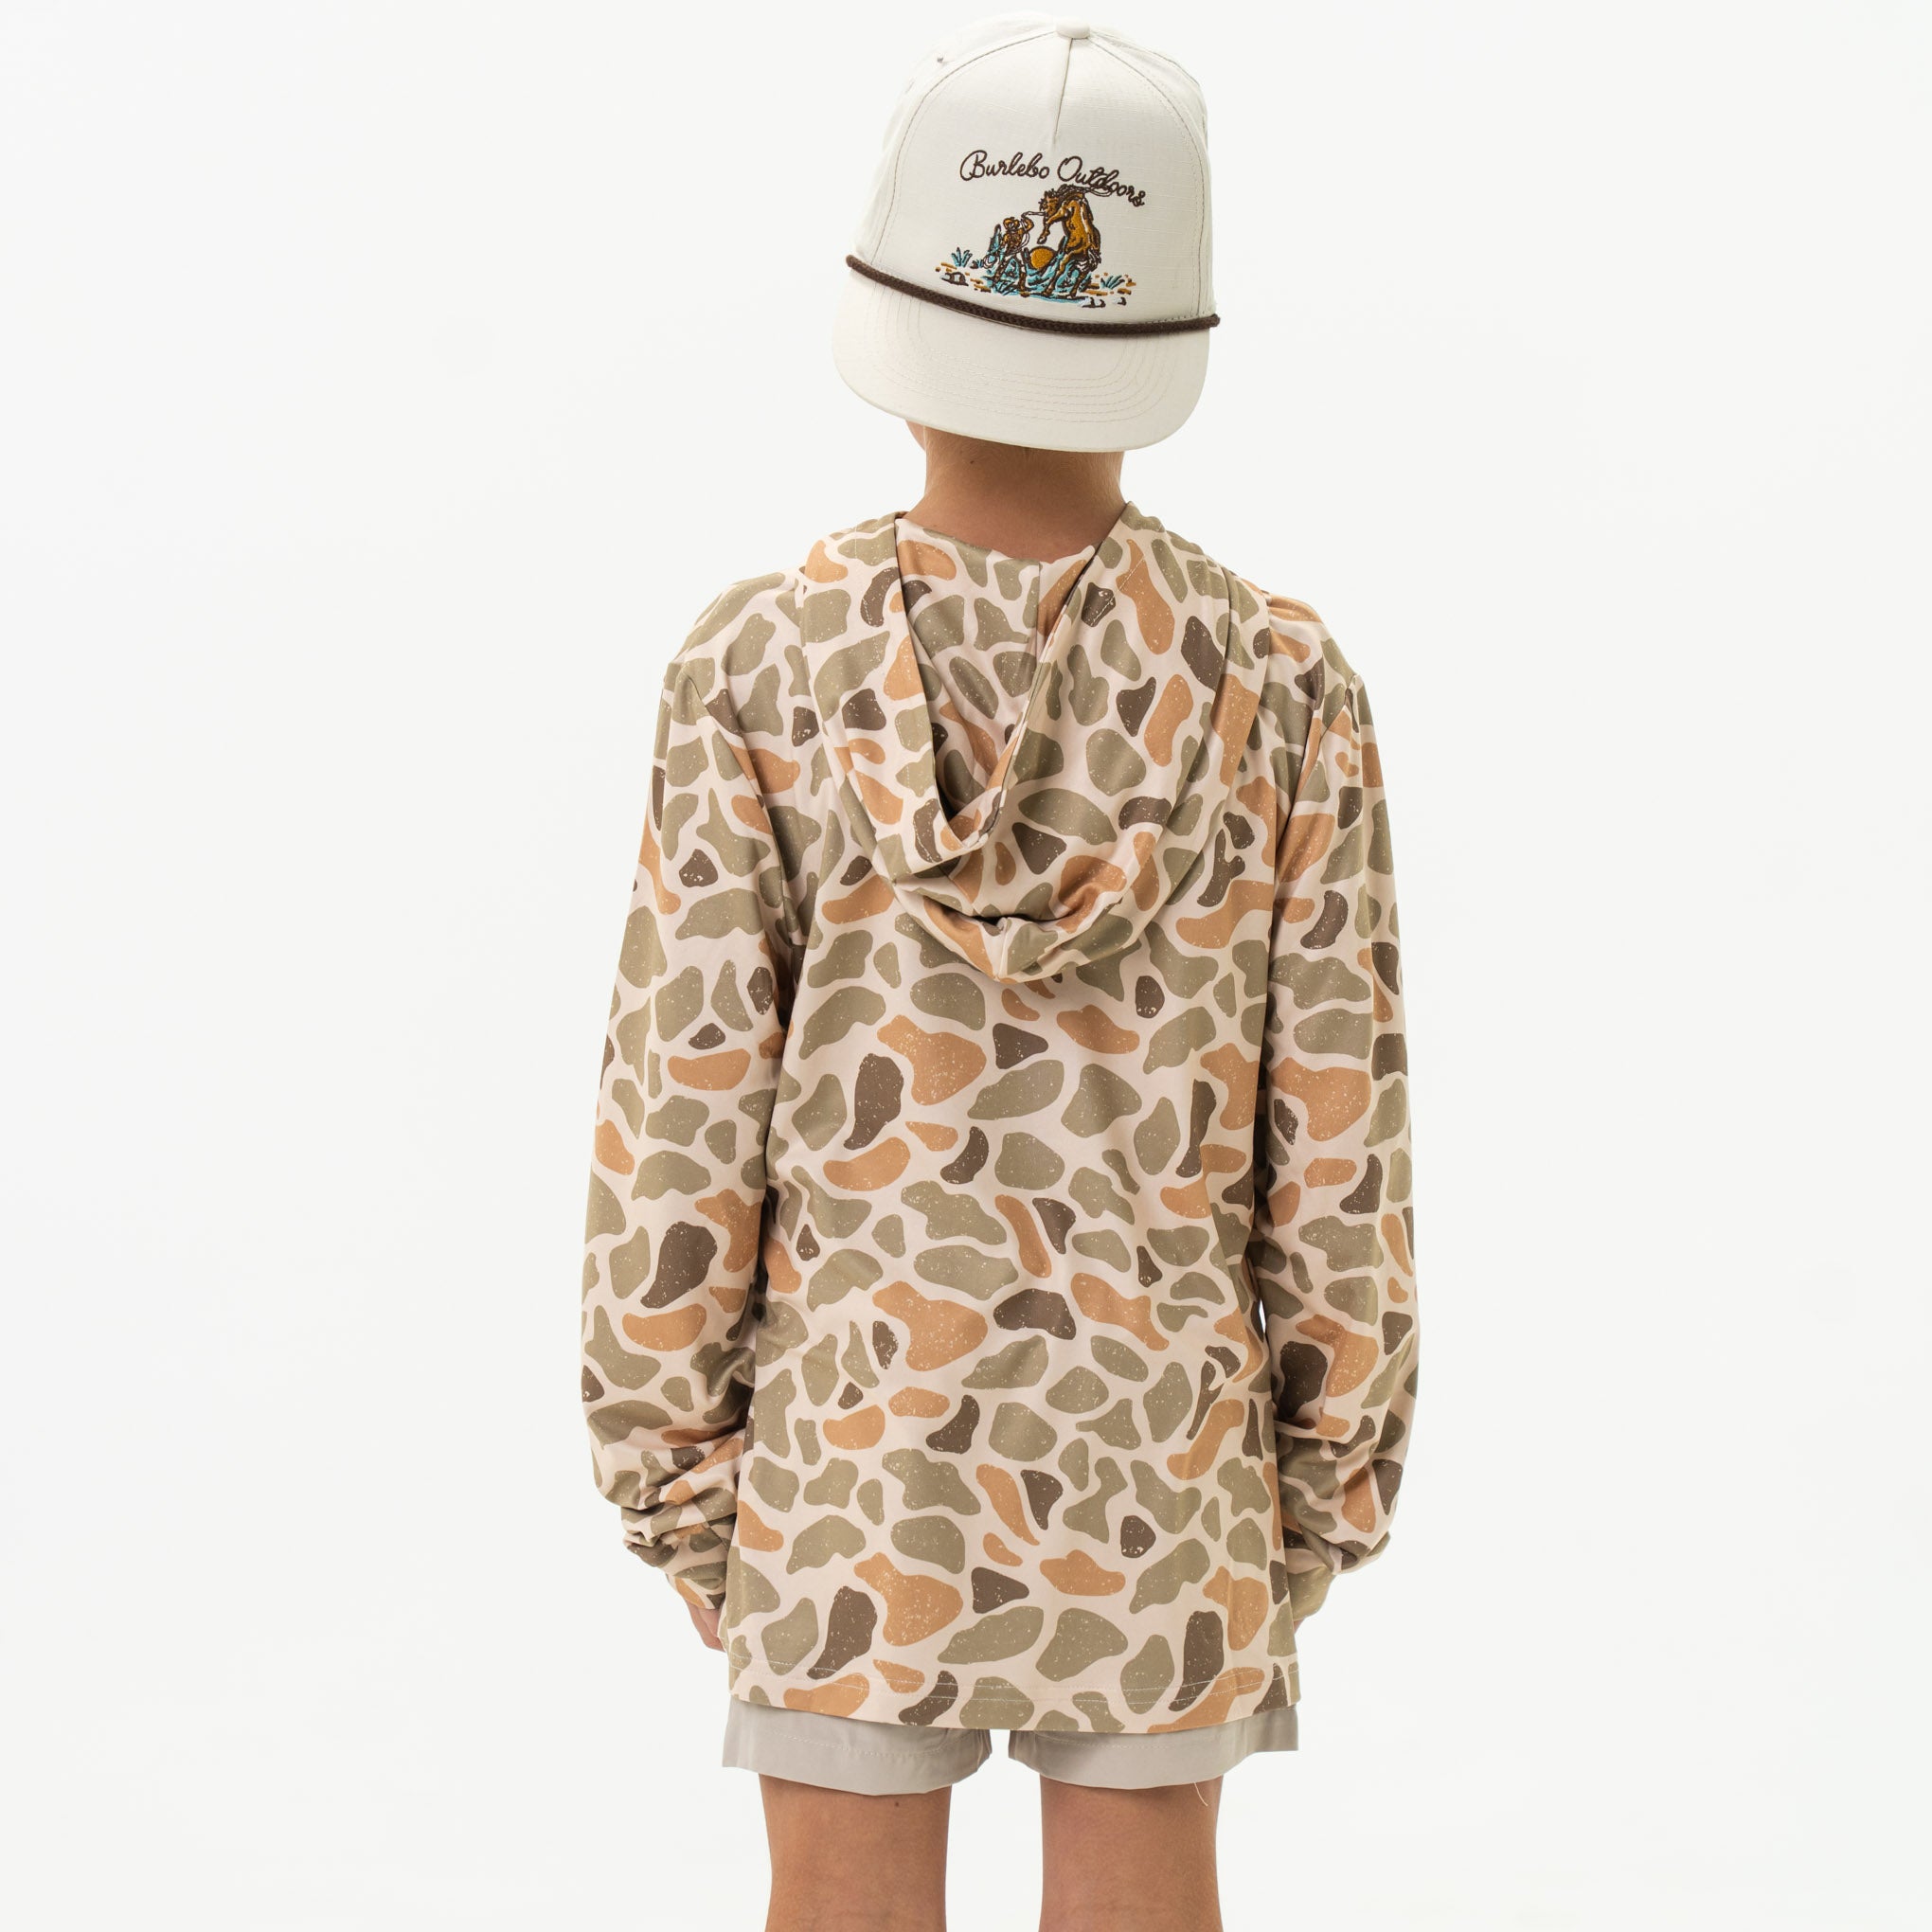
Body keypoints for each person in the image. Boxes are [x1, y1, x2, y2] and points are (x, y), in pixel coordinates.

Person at [581, 17, 1419, 1930]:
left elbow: (681, 1108)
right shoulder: (1282, 684)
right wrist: (1318, 1477)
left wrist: (677, 1468)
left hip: (852, 1432)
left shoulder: (760, 664)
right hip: (1166, 1436)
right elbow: (1340, 1133)